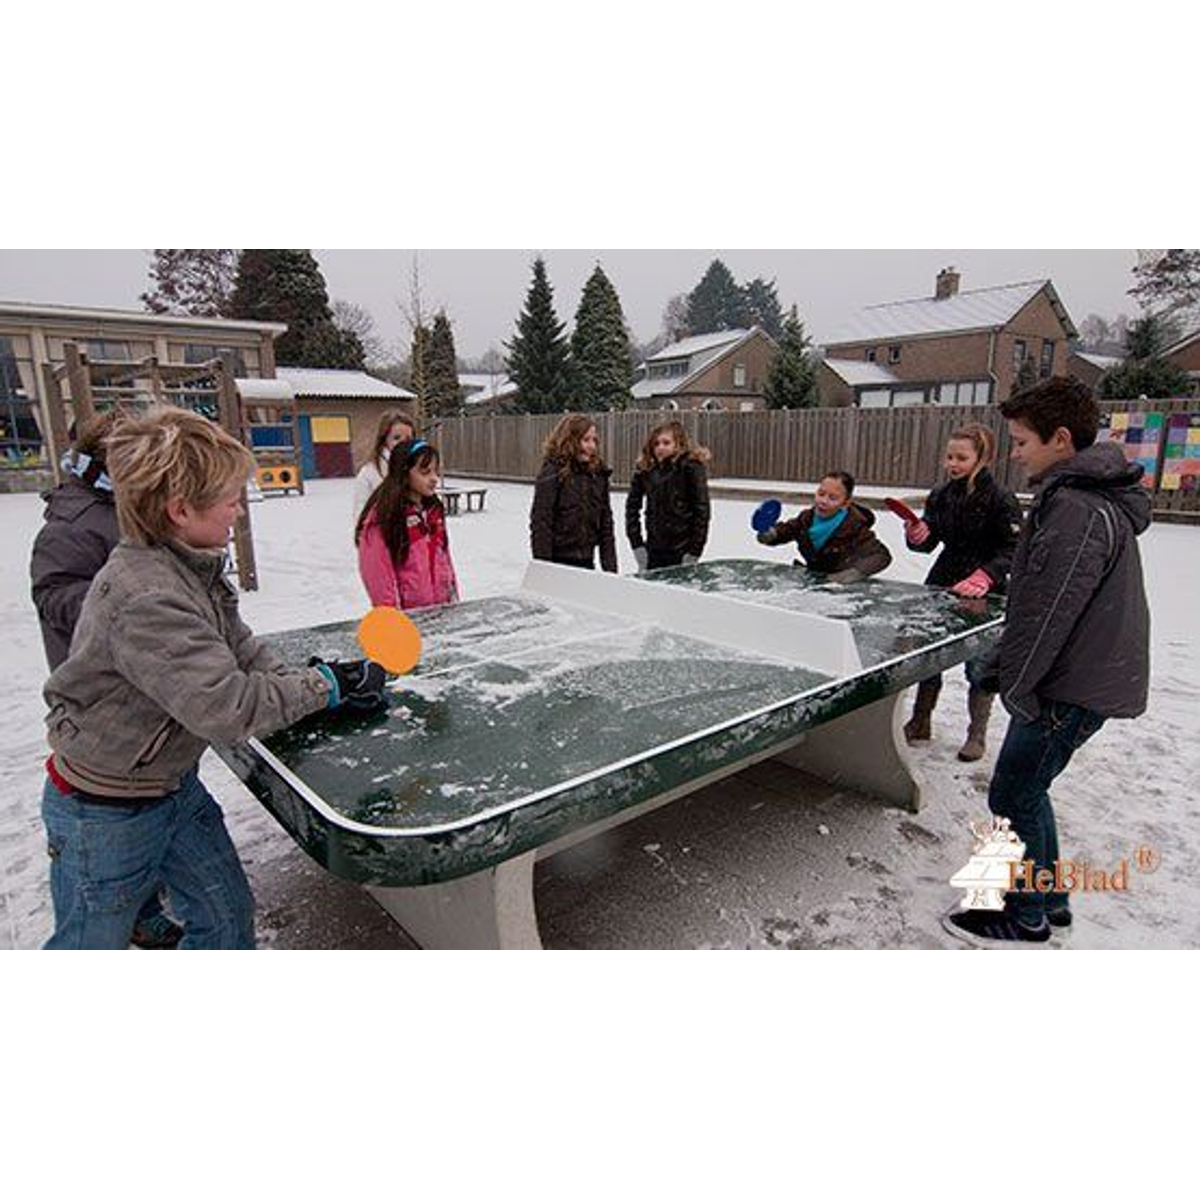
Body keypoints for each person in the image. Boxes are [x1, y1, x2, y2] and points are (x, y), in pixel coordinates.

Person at [41, 406, 387, 950]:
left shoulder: (192, 563)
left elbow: (240, 646)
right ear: (180, 510)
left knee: (225, 917)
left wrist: (312, 684)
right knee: (88, 946)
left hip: (172, 786)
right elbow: (228, 709)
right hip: (105, 810)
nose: (239, 511)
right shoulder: (148, 597)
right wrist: (327, 687)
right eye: (230, 499)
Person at [944, 377, 1151, 946]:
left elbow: (1051, 610)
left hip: (1069, 686)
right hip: (1074, 678)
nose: (1014, 453)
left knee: (1012, 794)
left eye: (1021, 441)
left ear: (1061, 439)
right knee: (1028, 791)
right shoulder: (1080, 499)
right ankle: (1049, 899)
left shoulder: (1078, 509)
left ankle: (1023, 913)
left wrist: (1014, 681)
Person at [30, 410, 184, 950]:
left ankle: (146, 899)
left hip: (154, 709)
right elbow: (54, 597)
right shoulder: (73, 523)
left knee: (158, 812)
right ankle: (135, 909)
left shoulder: (128, 510)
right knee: (103, 882)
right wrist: (127, 604)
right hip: (105, 708)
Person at [900, 424, 1023, 761]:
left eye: (961, 458)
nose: (952, 464)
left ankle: (976, 734)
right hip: (943, 583)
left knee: (980, 664)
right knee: (929, 656)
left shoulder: (1001, 499)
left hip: (986, 592)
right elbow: (928, 543)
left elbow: (1014, 549)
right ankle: (921, 720)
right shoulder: (941, 494)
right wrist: (917, 534)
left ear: (983, 458)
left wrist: (985, 575)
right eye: (949, 456)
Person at [356, 437, 459, 609]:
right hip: (407, 618)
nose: (434, 479)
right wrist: (392, 619)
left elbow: (445, 558)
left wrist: (453, 597)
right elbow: (378, 577)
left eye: (436, 472)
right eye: (425, 472)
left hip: (440, 612)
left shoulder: (434, 511)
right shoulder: (384, 518)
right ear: (404, 473)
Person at [755, 470, 891, 582]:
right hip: (813, 582)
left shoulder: (854, 527)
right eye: (821, 494)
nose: (823, 501)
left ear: (845, 503)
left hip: (842, 592)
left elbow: (881, 556)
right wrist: (771, 534)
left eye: (832, 498)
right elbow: (787, 530)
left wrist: (853, 573)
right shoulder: (806, 518)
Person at [529, 414, 617, 572]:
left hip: (587, 560)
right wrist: (544, 569)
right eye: (585, 440)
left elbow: (606, 524)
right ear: (570, 441)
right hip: (558, 561)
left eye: (594, 440)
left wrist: (610, 570)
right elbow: (541, 523)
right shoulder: (553, 473)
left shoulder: (598, 474)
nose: (591, 446)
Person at [625, 420, 711, 572]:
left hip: (682, 548)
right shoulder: (645, 469)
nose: (660, 447)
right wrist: (637, 545)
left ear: (679, 444)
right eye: (656, 443)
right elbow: (632, 508)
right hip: (654, 548)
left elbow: (702, 511)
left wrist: (694, 551)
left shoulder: (691, 468)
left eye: (666, 442)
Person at [352, 410, 417, 529]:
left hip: (415, 542)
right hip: (383, 541)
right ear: (384, 440)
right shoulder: (369, 473)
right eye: (396, 438)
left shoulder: (417, 470)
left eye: (408, 439)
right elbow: (360, 518)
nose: (403, 443)